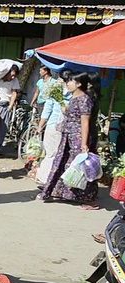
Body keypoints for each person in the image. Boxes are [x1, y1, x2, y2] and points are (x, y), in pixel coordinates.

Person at [37, 72, 99, 210]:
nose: (68, 83)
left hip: (77, 137)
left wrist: (84, 143)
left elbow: (85, 122)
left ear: (79, 84)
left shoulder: (85, 99)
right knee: (62, 163)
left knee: (81, 167)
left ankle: (89, 200)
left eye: (71, 81)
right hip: (67, 135)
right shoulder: (73, 98)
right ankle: (58, 192)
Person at [35, 81, 67, 185]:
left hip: (52, 126)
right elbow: (47, 110)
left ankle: (43, 177)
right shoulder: (67, 95)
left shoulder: (58, 95)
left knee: (50, 154)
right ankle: (46, 179)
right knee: (53, 154)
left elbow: (47, 111)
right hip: (56, 127)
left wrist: (40, 126)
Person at [0, 64, 21, 150]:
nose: (12, 77)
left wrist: (10, 106)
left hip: (5, 106)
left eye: (14, 76)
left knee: (2, 128)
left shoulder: (15, 81)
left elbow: (14, 93)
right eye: (12, 75)